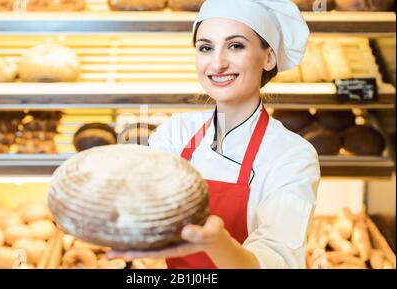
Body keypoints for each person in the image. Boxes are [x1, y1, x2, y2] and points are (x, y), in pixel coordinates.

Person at [108, 0, 320, 269]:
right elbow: (148, 208)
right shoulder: (176, 131)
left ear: (268, 57)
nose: (217, 63)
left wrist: (216, 242)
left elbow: (278, 262)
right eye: (206, 48)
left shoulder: (291, 155)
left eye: (235, 46)